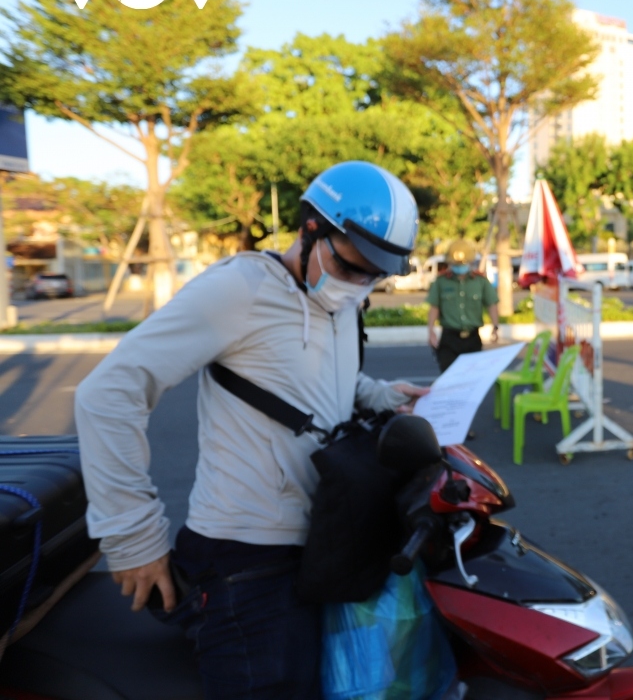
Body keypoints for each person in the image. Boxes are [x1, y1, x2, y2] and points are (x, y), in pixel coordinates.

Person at [75, 161, 430, 699]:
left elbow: (311, 374)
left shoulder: (329, 298)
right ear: (311, 229)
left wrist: (380, 395)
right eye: (353, 267)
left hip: (317, 542)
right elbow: (107, 394)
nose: (360, 285)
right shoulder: (240, 289)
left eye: (375, 276)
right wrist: (131, 535)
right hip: (246, 562)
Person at [426, 239, 500, 372]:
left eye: (463, 263)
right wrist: (431, 330)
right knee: (448, 378)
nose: (460, 267)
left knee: (470, 379)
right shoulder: (441, 282)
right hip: (449, 338)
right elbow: (434, 307)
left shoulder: (480, 282)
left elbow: (491, 304)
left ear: (471, 262)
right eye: (456, 264)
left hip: (472, 338)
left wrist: (495, 326)